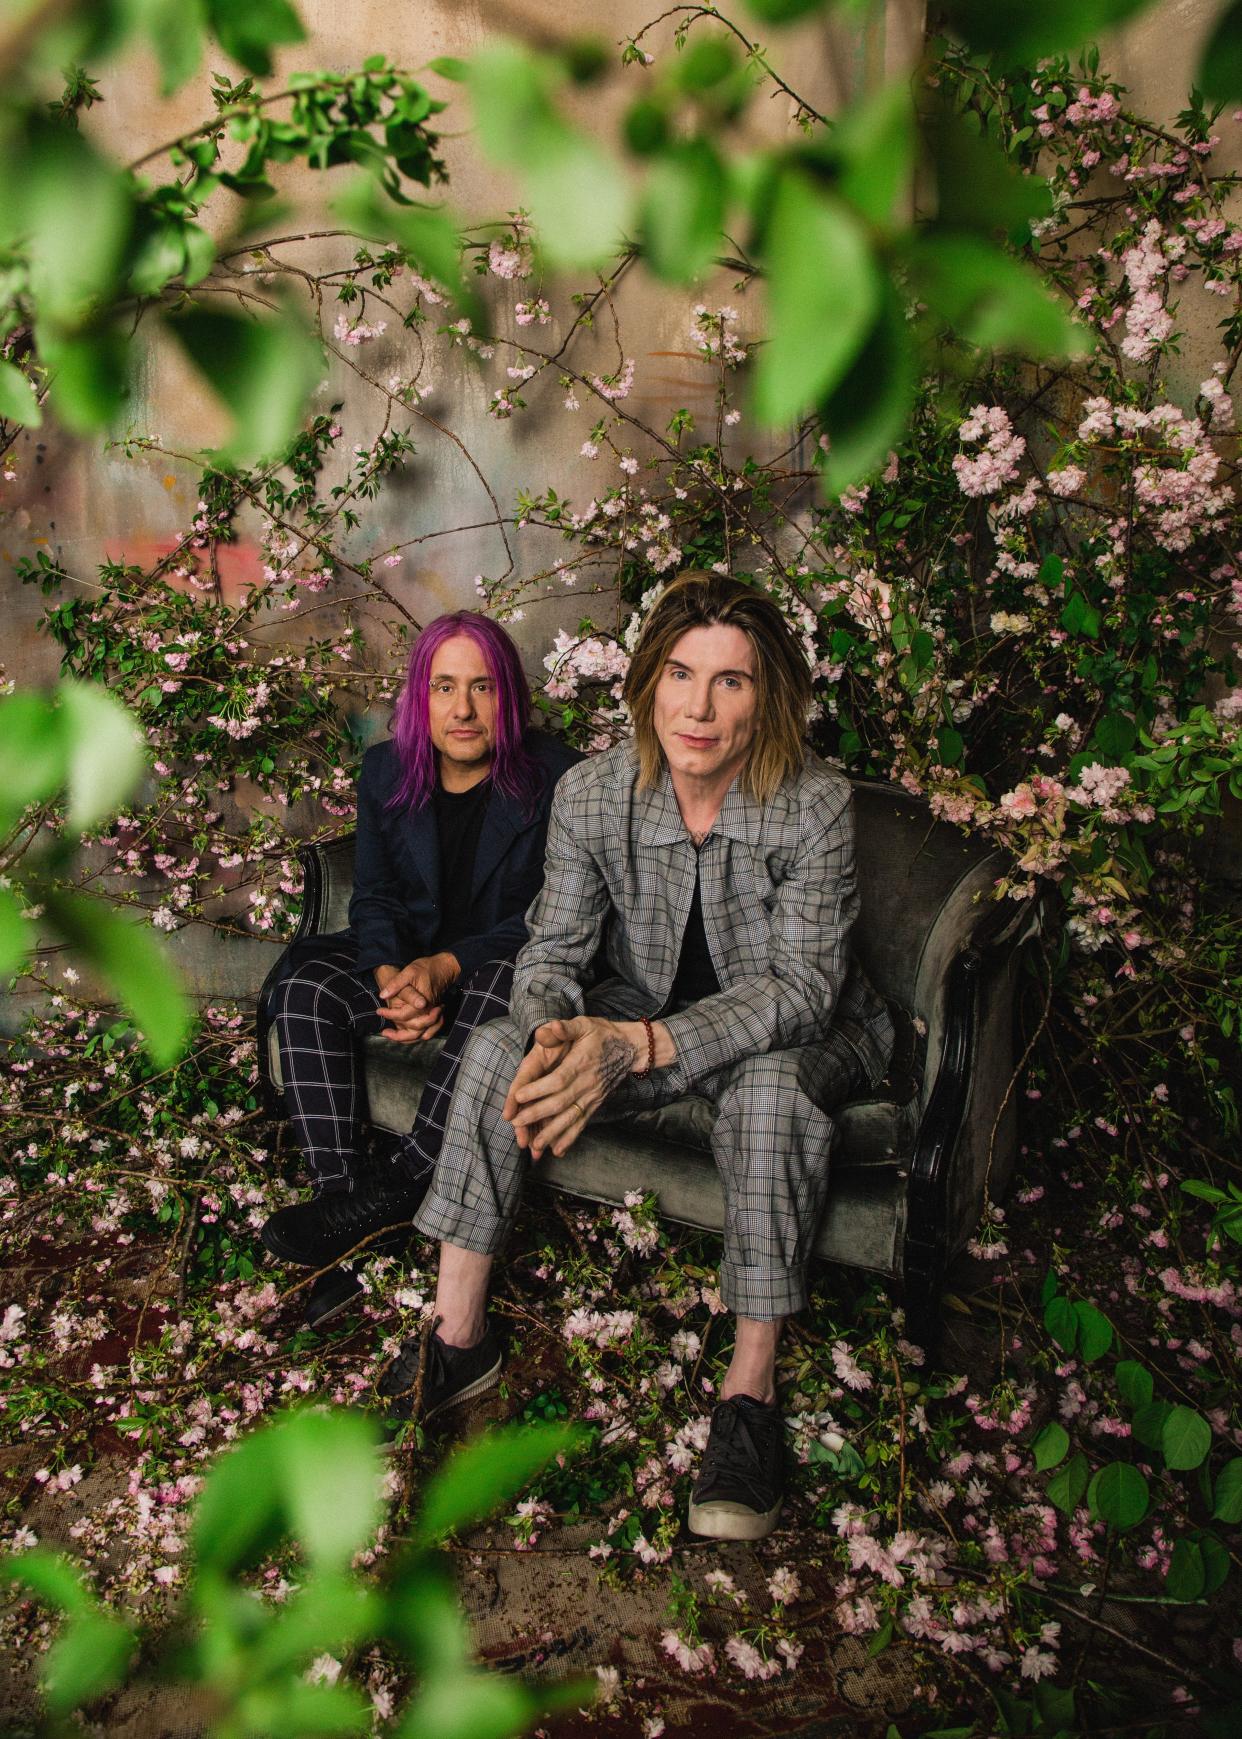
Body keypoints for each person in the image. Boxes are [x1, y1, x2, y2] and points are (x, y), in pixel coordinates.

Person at [379, 572, 893, 1541]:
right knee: (493, 1049)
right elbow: (553, 950)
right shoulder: (593, 791)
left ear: (767, 696)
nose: (699, 707)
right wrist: (555, 1038)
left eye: (731, 682)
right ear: (647, 681)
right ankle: (458, 1339)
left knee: (769, 1096)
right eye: (681, 674)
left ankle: (750, 1392)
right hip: (637, 1008)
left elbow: (800, 990)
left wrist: (639, 1045)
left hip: (795, 1030)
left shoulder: (814, 804)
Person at [261, 611, 580, 1328]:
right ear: (420, 695)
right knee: (309, 983)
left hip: (495, 966)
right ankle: (341, 1207)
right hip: (411, 967)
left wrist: (445, 967)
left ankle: (406, 1177)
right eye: (444, 686)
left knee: (505, 990)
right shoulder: (384, 770)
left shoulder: (560, 777)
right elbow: (371, 894)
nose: (462, 709)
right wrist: (390, 978)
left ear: (509, 697)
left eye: (482, 687)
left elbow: (548, 917)